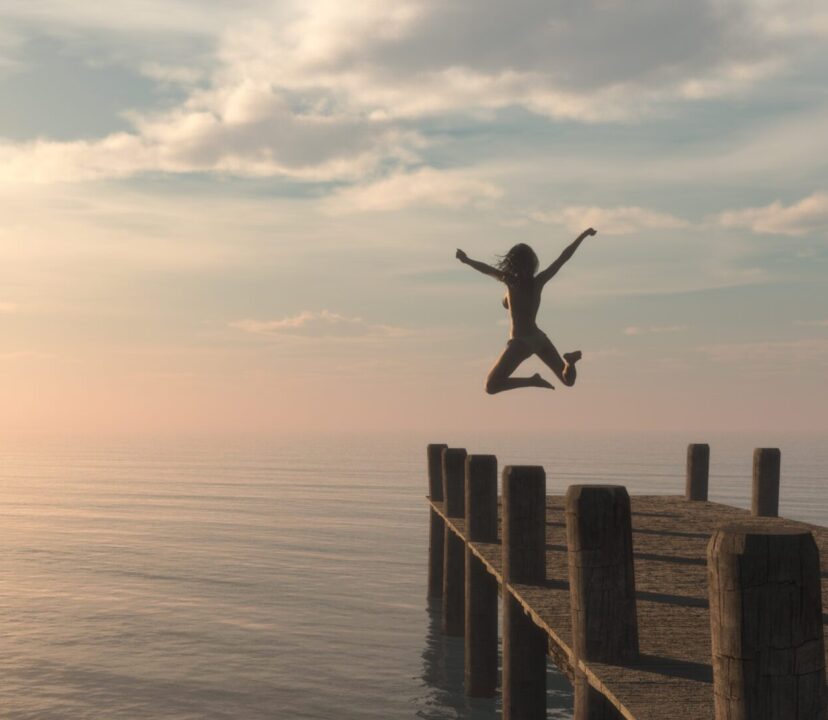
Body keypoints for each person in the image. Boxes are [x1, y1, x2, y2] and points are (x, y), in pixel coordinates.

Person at [456, 228, 596, 394]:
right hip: (539, 338)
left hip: (521, 340)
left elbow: (485, 269)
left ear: (512, 262)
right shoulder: (539, 282)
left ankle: (532, 380)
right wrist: (584, 234)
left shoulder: (509, 281)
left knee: (491, 386)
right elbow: (563, 257)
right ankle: (570, 363)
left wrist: (466, 260)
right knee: (568, 380)